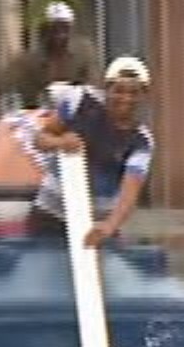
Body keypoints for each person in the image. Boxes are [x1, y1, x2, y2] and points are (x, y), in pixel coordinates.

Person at [35, 56, 156, 247]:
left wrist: (109, 226)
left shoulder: (141, 141)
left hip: (97, 224)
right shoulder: (80, 101)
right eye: (119, 91)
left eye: (134, 93)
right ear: (106, 89)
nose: (126, 98)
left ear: (144, 95)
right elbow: (40, 139)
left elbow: (129, 194)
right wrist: (60, 142)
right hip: (51, 214)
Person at [0, 101, 83, 243]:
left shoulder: (6, 121)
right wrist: (62, 142)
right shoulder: (49, 120)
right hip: (21, 196)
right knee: (23, 260)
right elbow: (44, 137)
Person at [0, 0, 96, 112]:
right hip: (41, 115)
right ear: (44, 31)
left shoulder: (83, 51)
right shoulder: (29, 61)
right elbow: (6, 86)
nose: (60, 35)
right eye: (54, 29)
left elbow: (93, 84)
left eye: (64, 29)